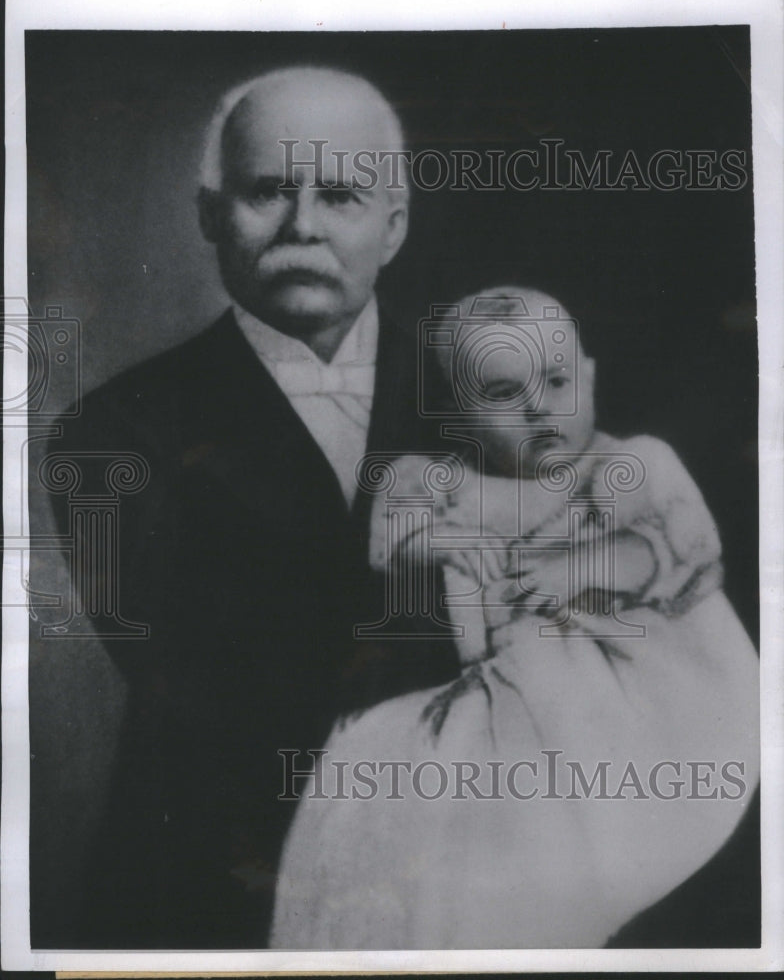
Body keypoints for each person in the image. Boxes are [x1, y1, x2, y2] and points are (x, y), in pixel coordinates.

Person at [37, 67, 459, 948]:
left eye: (340, 195)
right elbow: (201, 686)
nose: (303, 226)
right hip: (217, 882)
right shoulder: (111, 434)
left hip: (468, 861)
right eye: (269, 191)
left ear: (396, 226)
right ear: (208, 217)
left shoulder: (484, 393)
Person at [269, 286, 759, 949]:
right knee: (379, 776)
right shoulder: (444, 482)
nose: (538, 408)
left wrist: (578, 570)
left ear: (588, 376)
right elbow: (390, 544)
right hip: (512, 688)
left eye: (557, 381)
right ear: (459, 414)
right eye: (502, 394)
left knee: (571, 810)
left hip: (651, 686)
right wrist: (448, 544)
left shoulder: (625, 465)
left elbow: (672, 552)